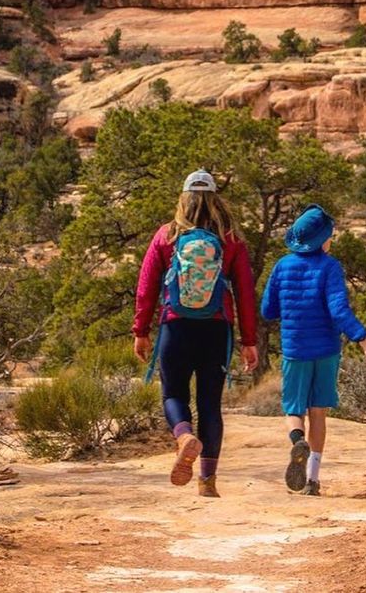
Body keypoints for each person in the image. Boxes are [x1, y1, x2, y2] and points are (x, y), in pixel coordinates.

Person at [133, 170, 258, 497]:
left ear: (184, 199)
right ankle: (207, 482)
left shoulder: (167, 235)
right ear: (216, 200)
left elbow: (146, 287)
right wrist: (249, 340)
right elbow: (245, 291)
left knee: (173, 394)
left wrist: (140, 331)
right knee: (210, 404)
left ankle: (184, 435)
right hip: (216, 329)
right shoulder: (230, 238)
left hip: (175, 326)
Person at [260, 204, 366, 496]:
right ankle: (313, 480)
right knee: (318, 412)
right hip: (326, 350)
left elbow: (267, 310)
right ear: (322, 239)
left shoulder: (282, 266)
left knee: (293, 408)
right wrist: (364, 340)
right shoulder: (330, 266)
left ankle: (296, 440)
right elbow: (338, 309)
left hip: (294, 348)